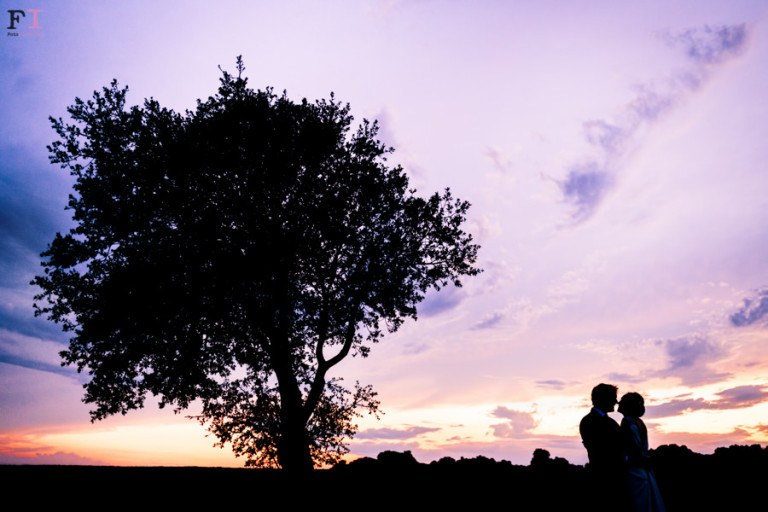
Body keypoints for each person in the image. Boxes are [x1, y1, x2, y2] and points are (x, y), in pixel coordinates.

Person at [580, 383, 627, 511]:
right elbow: (601, 450)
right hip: (605, 480)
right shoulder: (589, 421)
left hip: (615, 478)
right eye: (613, 397)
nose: (616, 402)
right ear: (603, 398)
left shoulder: (609, 421)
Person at [618, 392, 666, 512]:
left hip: (635, 469)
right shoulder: (639, 422)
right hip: (643, 468)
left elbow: (632, 447)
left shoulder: (628, 421)